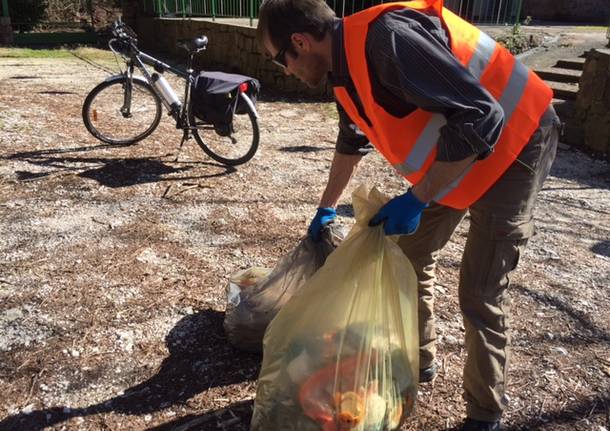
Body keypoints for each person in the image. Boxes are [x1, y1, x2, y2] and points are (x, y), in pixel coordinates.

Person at [257, 0, 560, 429]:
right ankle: (421, 360)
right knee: (410, 255)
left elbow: (483, 114)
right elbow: (351, 142)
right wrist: (326, 207)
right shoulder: (342, 74)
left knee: (480, 290)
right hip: (462, 152)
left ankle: (484, 413)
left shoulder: (386, 40)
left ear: (300, 42)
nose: (284, 70)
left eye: (279, 60)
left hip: (517, 139)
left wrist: (418, 198)